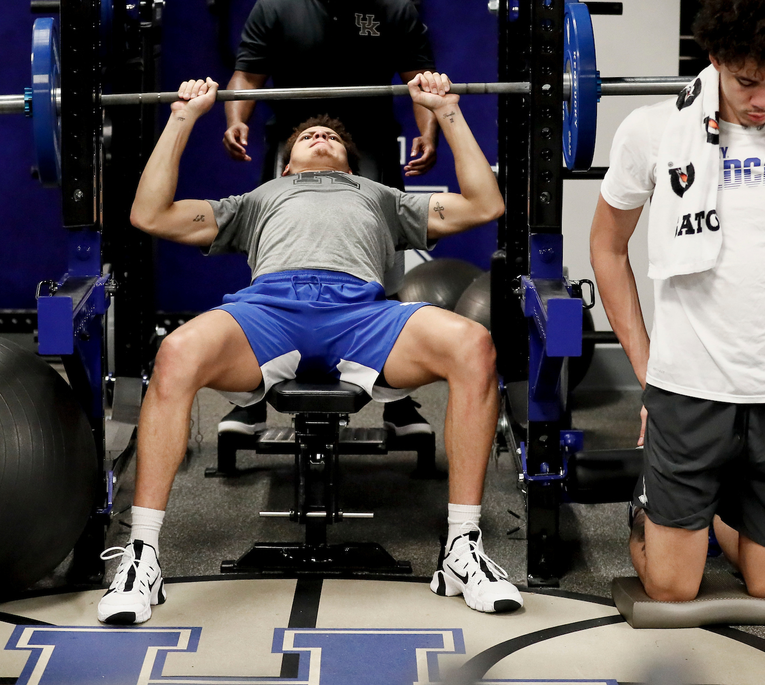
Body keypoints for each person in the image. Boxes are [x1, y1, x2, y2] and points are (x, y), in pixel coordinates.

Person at [97, 71, 523, 624]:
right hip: (268, 312)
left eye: (332, 137)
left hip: (362, 314)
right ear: (288, 163)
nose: (321, 136)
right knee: (176, 351)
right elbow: (148, 215)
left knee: (474, 344)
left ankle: (462, 548)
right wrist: (182, 118)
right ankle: (142, 555)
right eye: (308, 136)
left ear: (350, 162)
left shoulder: (382, 197)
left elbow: (485, 205)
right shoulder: (256, 200)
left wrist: (446, 110)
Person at [589, 0, 765, 602]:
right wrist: (647, 367)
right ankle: (652, 509)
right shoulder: (652, 130)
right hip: (688, 384)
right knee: (672, 588)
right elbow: (607, 247)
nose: (764, 99)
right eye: (747, 82)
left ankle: (711, 509)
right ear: (715, 61)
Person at [220, 0, 440, 439]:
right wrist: (235, 118)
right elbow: (247, 75)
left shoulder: (391, 4)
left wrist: (428, 129)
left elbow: (419, 78)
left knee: (386, 264)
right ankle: (251, 402)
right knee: (273, 257)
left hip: (367, 145)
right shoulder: (276, 2)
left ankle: (399, 403)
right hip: (296, 144)